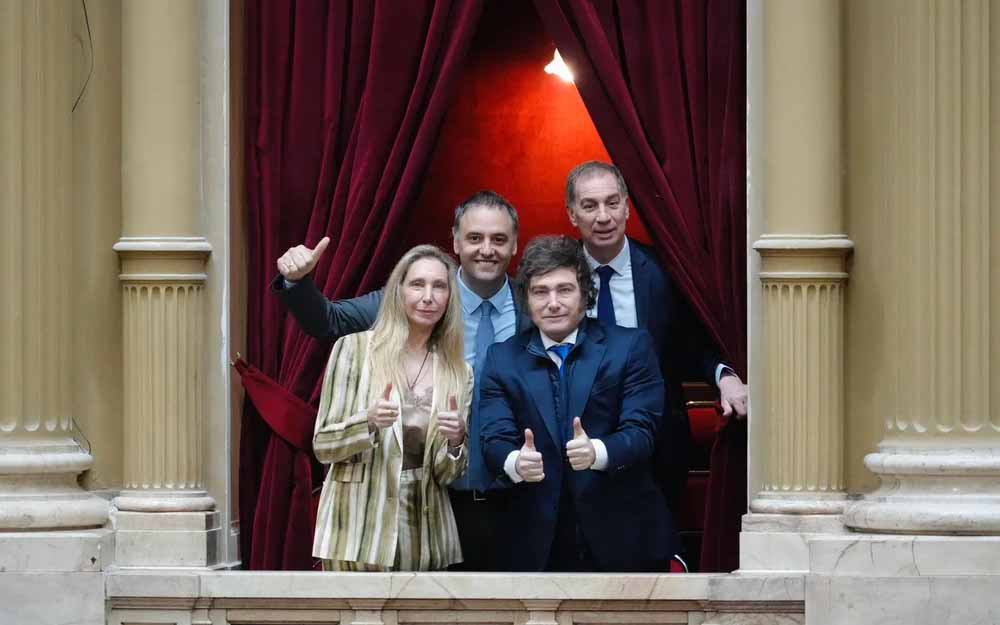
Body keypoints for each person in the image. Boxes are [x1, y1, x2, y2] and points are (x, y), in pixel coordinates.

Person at [275, 191, 530, 570]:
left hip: (513, 499)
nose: (486, 249)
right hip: (433, 505)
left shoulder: (536, 305)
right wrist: (297, 283)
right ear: (456, 241)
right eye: (475, 237)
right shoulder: (415, 296)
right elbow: (328, 320)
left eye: (499, 239)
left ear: (515, 244)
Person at [479, 236, 681, 572]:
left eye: (564, 290)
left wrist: (597, 452)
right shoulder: (502, 358)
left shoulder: (630, 347)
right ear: (526, 299)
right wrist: (516, 461)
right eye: (540, 292)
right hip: (535, 540)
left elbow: (642, 430)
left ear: (585, 293)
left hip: (622, 536)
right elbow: (493, 437)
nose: (553, 303)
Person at [564, 161, 749, 520]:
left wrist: (725, 376)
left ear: (628, 206)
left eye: (612, 202)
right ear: (572, 214)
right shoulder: (556, 276)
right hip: (576, 447)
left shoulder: (666, 269)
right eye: (589, 205)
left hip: (657, 446)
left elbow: (691, 343)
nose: (603, 216)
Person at [312, 245, 473, 571]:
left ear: (450, 298)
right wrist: (368, 421)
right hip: (356, 529)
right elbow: (323, 446)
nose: (428, 297)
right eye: (417, 285)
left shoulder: (458, 372)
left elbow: (446, 475)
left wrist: (457, 443)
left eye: (439, 287)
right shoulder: (354, 348)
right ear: (398, 291)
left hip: (425, 535)